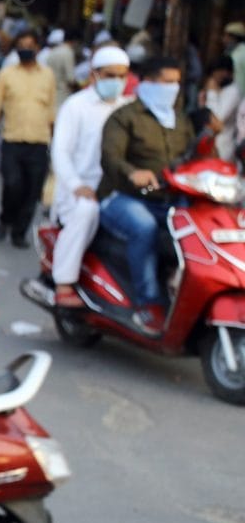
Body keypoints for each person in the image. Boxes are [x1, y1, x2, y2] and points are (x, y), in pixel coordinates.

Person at [99, 56, 207, 335]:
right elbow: (111, 159)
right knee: (143, 228)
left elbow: (193, 158)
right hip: (125, 197)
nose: (173, 88)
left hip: (170, 199)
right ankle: (148, 304)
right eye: (167, 82)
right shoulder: (124, 117)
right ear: (147, 83)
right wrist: (132, 173)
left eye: (177, 83)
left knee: (201, 232)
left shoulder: (180, 120)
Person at [49, 46, 132, 308]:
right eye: (110, 75)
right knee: (87, 211)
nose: (116, 81)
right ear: (94, 74)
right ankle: (64, 283)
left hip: (118, 188)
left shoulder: (128, 108)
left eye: (122, 75)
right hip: (81, 188)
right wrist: (76, 185)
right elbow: (60, 151)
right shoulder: (76, 106)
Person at [0, 30, 57, 247]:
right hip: (12, 141)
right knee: (13, 184)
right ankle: (6, 219)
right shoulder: (6, 75)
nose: (25, 48)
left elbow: (51, 110)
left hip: (39, 142)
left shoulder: (48, 75)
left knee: (32, 191)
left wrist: (56, 143)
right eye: (21, 44)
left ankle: (19, 232)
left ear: (38, 49)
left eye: (30, 45)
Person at [45, 28, 79, 109]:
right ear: (74, 41)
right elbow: (70, 79)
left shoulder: (54, 51)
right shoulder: (68, 52)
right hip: (61, 93)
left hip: (49, 91)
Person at [223, 21, 245, 94]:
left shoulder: (242, 53)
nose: (224, 39)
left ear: (234, 37)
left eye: (226, 36)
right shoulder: (230, 52)